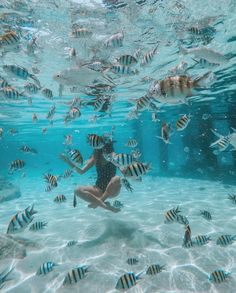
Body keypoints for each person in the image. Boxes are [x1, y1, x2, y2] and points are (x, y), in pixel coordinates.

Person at [60, 140, 121, 212]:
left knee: (116, 179)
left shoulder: (115, 157)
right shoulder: (95, 158)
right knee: (77, 190)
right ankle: (106, 206)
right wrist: (68, 161)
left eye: (108, 150)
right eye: (103, 150)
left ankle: (100, 202)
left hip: (112, 191)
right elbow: (81, 171)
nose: (106, 153)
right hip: (99, 190)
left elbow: (125, 170)